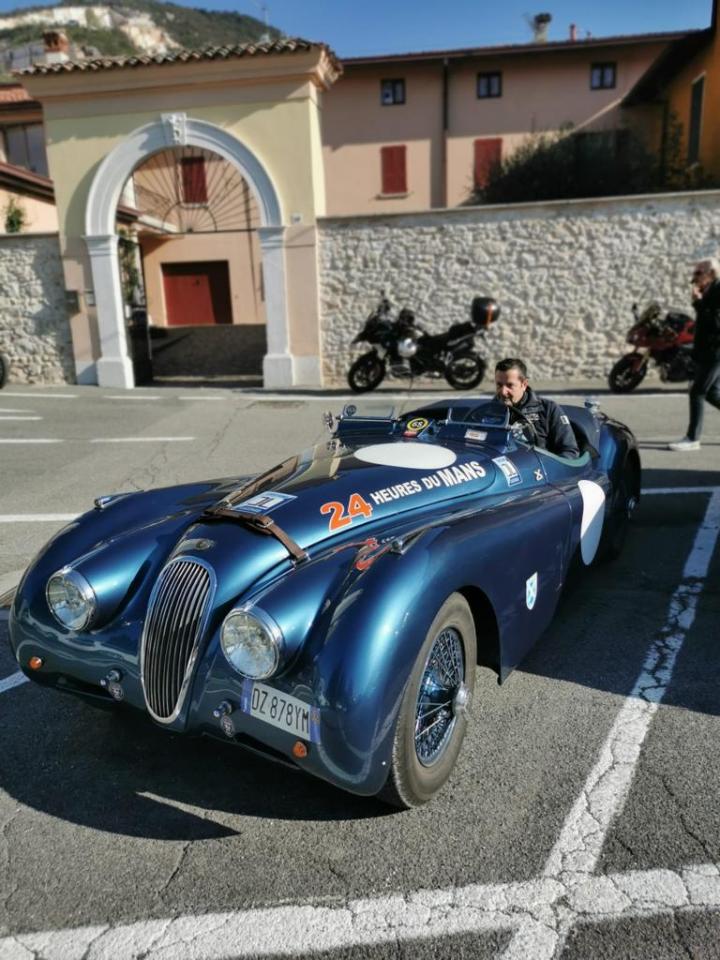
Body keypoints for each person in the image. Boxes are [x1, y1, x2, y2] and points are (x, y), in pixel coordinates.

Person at [668, 258, 720, 452]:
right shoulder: (711, 290)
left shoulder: (718, 290)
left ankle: (692, 438)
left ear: (711, 273)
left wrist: (698, 303)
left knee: (697, 392)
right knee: (712, 393)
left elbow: (717, 324)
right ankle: (692, 437)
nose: (694, 278)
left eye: (698, 273)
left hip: (715, 352)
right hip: (708, 350)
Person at [495, 357, 580, 459]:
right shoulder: (486, 412)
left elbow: (570, 452)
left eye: (510, 385)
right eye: (499, 385)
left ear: (524, 384)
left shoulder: (548, 409)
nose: (503, 392)